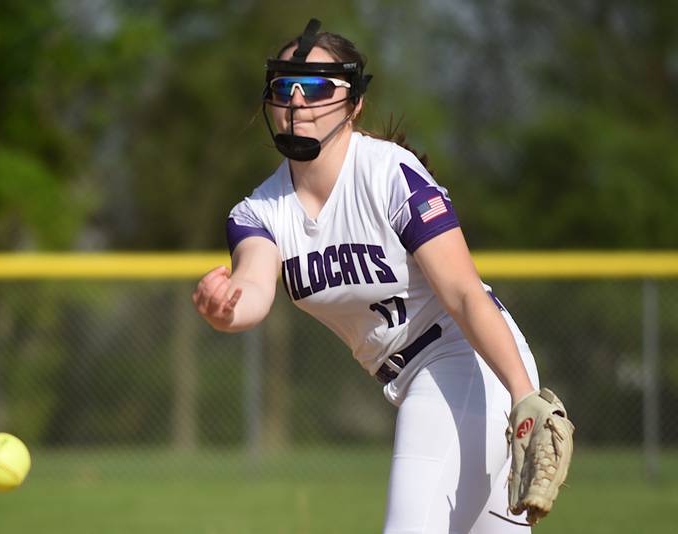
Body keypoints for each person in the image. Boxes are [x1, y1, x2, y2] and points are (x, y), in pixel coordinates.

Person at [193, 18, 544, 533]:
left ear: (354, 102)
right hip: (414, 378)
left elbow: (465, 294)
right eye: (283, 86)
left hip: (470, 359)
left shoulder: (388, 173)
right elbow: (253, 288)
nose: (296, 100)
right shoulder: (260, 212)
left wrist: (524, 397)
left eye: (314, 86)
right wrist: (224, 308)